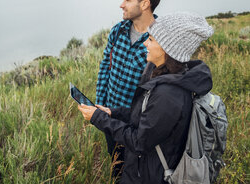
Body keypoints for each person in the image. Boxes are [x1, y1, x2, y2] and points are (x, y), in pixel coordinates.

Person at [79, 12, 214, 183]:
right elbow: (147, 117)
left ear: (168, 49)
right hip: (142, 169)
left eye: (150, 39)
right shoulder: (163, 75)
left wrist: (98, 118)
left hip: (149, 176)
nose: (145, 43)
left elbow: (139, 142)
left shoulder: (169, 95)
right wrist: (112, 113)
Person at [96, 0, 161, 179]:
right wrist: (100, 106)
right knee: (117, 169)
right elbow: (105, 68)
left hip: (138, 126)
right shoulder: (118, 30)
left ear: (145, 4)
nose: (121, 5)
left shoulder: (159, 40)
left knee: (138, 175)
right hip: (110, 118)